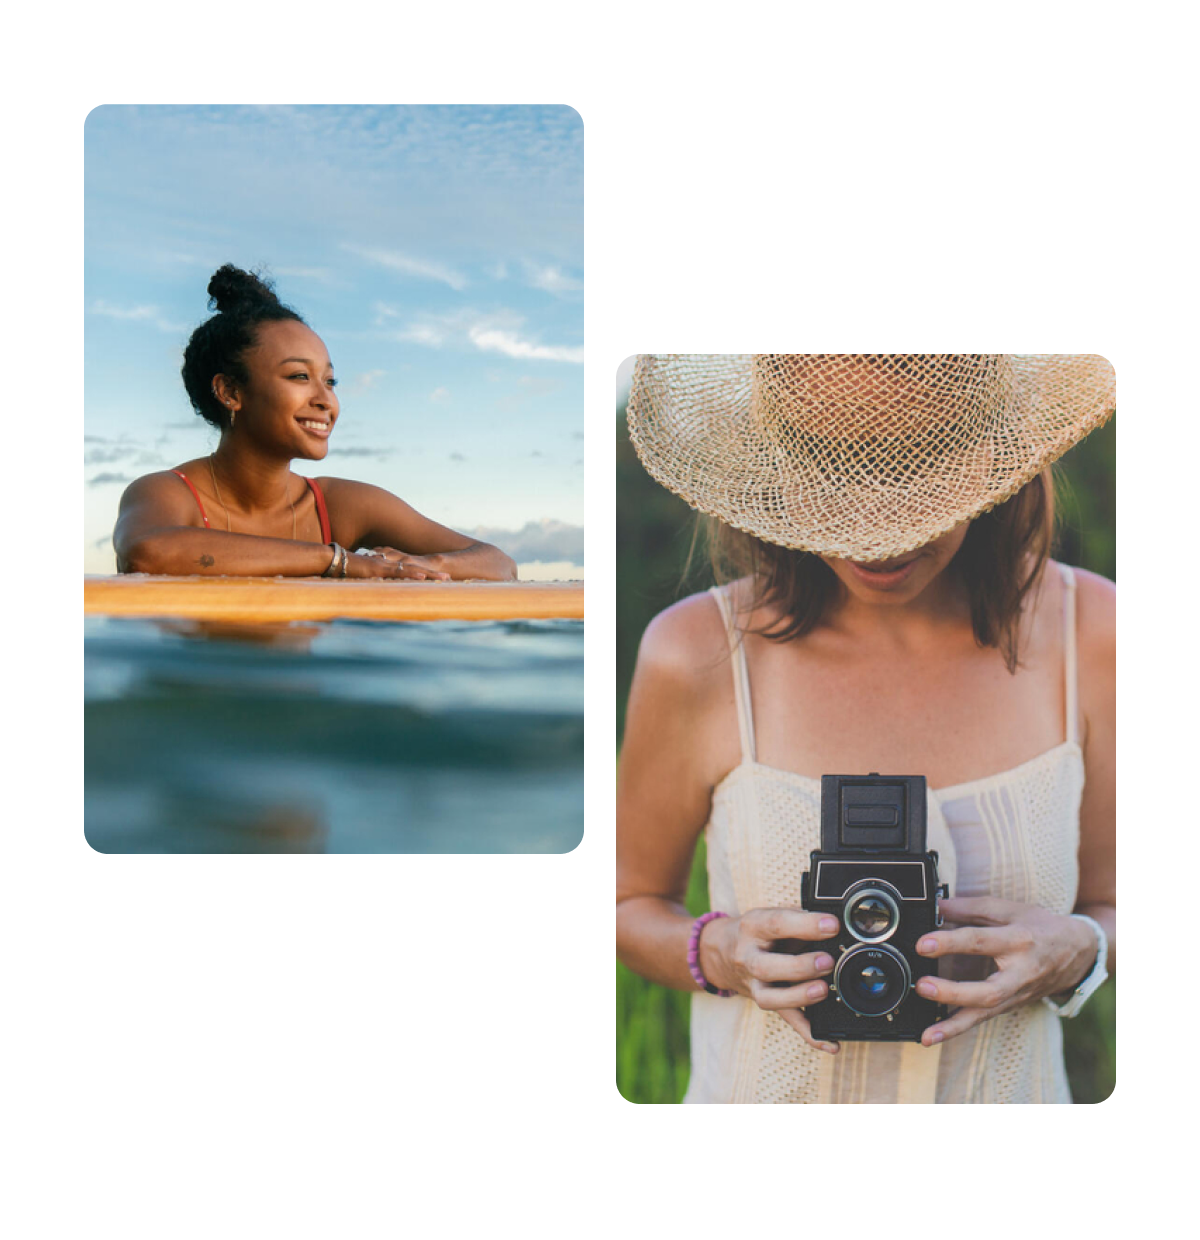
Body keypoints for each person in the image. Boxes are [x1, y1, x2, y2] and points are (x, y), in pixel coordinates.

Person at [617, 354, 1115, 1103]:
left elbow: (1109, 898)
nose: (875, 529)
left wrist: (1081, 949)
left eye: (917, 469)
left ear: (992, 451)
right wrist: (719, 951)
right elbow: (629, 901)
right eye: (834, 469)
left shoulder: (1095, 633)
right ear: (778, 460)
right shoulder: (693, 651)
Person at [114, 264, 517, 582]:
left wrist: (415, 563)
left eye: (330, 381)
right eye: (299, 377)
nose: (326, 401)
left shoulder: (343, 506)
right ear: (231, 393)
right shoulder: (168, 493)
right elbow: (147, 553)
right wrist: (340, 562)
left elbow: (499, 565)